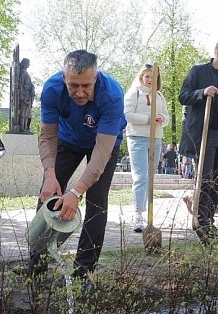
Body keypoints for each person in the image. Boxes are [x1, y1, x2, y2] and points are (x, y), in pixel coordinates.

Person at [21, 50, 126, 282]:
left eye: (86, 85)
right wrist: (49, 174)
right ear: (64, 78)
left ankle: (83, 271)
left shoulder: (112, 95)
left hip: (104, 142)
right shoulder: (51, 89)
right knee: (48, 195)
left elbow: (101, 151)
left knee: (97, 203)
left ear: (96, 78)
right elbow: (48, 135)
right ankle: (37, 265)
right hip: (68, 140)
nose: (79, 93)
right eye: (73, 86)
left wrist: (76, 192)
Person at [179, 38, 218, 243]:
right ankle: (201, 222)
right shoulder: (197, 72)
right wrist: (203, 92)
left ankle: (209, 221)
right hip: (204, 133)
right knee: (205, 178)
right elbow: (183, 96)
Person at [123, 64, 170, 232]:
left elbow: (166, 117)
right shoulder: (134, 93)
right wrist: (149, 119)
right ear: (142, 77)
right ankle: (138, 214)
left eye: (153, 77)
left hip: (155, 139)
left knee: (150, 176)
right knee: (140, 176)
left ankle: (149, 213)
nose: (150, 80)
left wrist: (161, 119)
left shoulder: (159, 96)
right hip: (137, 138)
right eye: (147, 76)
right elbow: (128, 115)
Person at [18, 58, 36, 132]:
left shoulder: (26, 72)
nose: (29, 65)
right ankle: (22, 127)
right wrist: (21, 94)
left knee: (27, 113)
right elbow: (21, 84)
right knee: (23, 113)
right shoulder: (22, 72)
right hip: (24, 95)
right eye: (28, 63)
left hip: (28, 95)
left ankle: (25, 127)